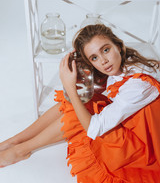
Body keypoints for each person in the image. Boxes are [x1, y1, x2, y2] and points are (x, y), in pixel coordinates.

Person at [0, 24, 160, 182]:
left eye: (106, 50)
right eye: (94, 57)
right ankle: (14, 142)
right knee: (79, 101)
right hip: (132, 134)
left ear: (118, 45)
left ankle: (21, 150)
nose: (104, 61)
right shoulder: (124, 64)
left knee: (78, 109)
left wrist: (69, 87)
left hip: (140, 152)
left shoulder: (139, 86)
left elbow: (94, 128)